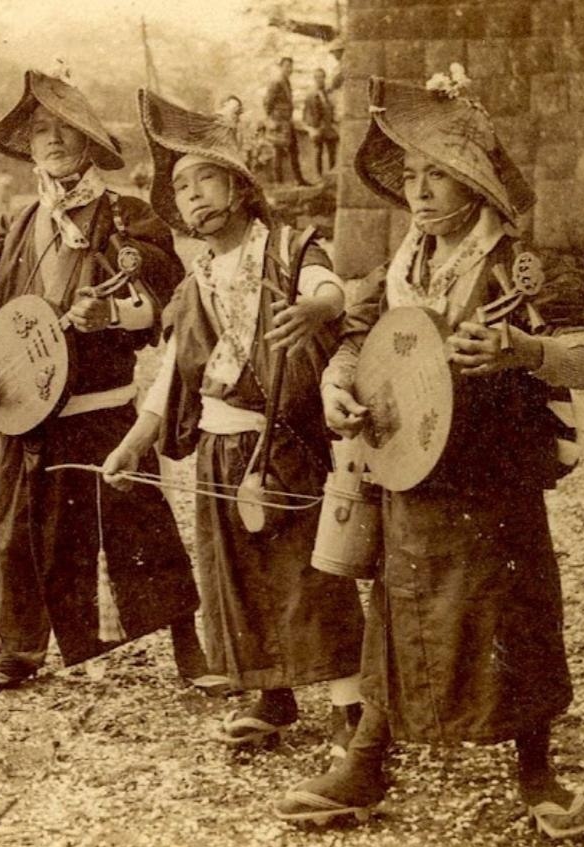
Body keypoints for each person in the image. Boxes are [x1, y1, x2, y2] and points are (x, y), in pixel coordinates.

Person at [274, 66, 584, 840]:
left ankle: (537, 771)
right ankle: (367, 759)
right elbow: (359, 343)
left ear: (476, 182)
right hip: (403, 465)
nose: (419, 193)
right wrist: (337, 388)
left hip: (495, 475)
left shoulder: (525, 266)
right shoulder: (400, 268)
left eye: (438, 175)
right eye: (413, 177)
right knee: (395, 608)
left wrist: (525, 348)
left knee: (511, 614)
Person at [104, 89, 365, 751]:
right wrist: (136, 443)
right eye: (182, 187)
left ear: (242, 187)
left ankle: (354, 708)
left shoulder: (289, 248)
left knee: (311, 574)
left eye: (207, 179)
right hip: (220, 450)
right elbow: (172, 378)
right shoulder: (197, 283)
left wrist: (317, 311)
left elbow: (326, 290)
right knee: (237, 579)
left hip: (286, 440)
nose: (194, 197)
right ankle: (270, 697)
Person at [0, 70, 212, 695]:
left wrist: (115, 313)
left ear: (91, 143)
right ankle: (18, 647)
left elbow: (163, 298)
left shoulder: (126, 215)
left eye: (66, 130)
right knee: (16, 525)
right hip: (23, 401)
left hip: (100, 406)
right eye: (41, 131)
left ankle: (188, 643)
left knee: (135, 523)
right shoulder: (21, 220)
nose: (53, 141)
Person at [263, 58, 309, 186]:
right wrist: (272, 119)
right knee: (278, 150)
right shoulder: (276, 82)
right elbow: (267, 102)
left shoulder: (286, 82)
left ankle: (299, 180)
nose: (289, 69)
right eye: (287, 66)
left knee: (294, 149)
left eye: (291, 66)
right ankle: (279, 182)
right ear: (281, 67)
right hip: (279, 122)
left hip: (287, 122)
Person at [303, 68, 338, 180]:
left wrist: (332, 121)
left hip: (328, 127)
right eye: (317, 77)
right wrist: (313, 128)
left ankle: (332, 174)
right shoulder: (311, 94)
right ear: (314, 79)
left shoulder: (327, 93)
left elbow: (331, 108)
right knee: (318, 152)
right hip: (318, 128)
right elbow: (307, 113)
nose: (319, 80)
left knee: (332, 151)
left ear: (324, 78)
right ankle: (318, 175)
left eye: (321, 77)